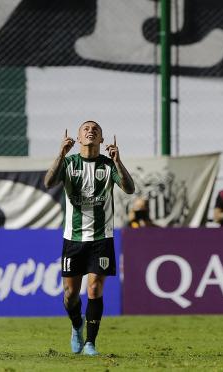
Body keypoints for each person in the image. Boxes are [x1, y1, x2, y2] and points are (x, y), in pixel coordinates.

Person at [44, 120, 135, 356]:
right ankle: (77, 326)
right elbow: (48, 182)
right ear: (78, 139)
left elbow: (129, 188)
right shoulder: (70, 163)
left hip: (101, 236)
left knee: (94, 289)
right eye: (86, 129)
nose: (90, 131)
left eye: (95, 129)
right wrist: (60, 155)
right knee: (70, 294)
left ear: (102, 140)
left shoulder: (107, 165)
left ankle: (90, 343)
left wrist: (118, 161)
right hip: (73, 238)